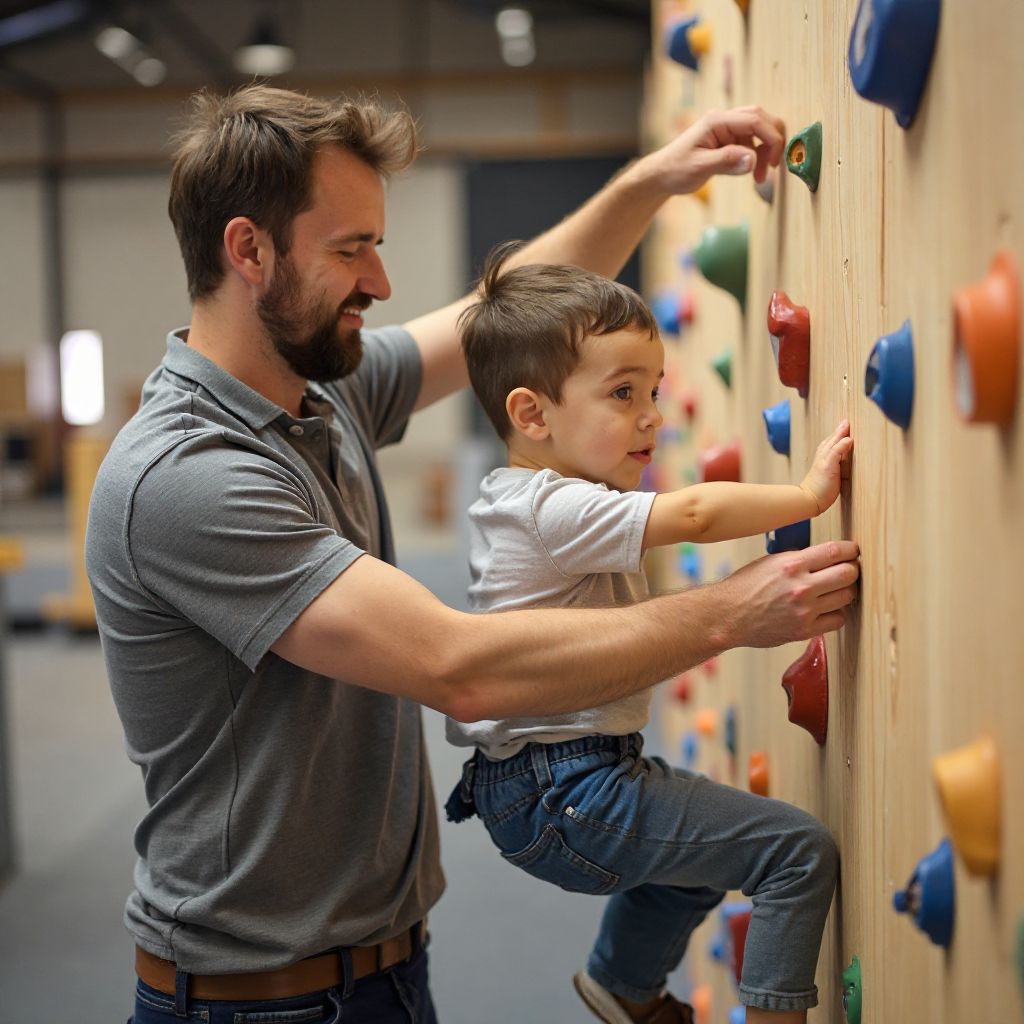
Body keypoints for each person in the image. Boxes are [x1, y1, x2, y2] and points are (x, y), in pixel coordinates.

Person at [84, 83, 860, 1024]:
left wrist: (655, 179)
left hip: (379, 970)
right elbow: (460, 670)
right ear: (248, 250)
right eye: (349, 249)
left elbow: (505, 319)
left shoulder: (319, 396)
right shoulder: (188, 474)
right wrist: (733, 613)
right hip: (262, 1001)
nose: (380, 281)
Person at [444, 246, 854, 1024]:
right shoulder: (551, 507)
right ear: (531, 415)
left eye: (655, 390)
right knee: (796, 853)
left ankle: (622, 984)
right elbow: (692, 515)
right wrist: (806, 493)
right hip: (565, 788)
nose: (652, 416)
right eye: (622, 393)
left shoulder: (527, 499)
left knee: (694, 867)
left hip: (545, 784)